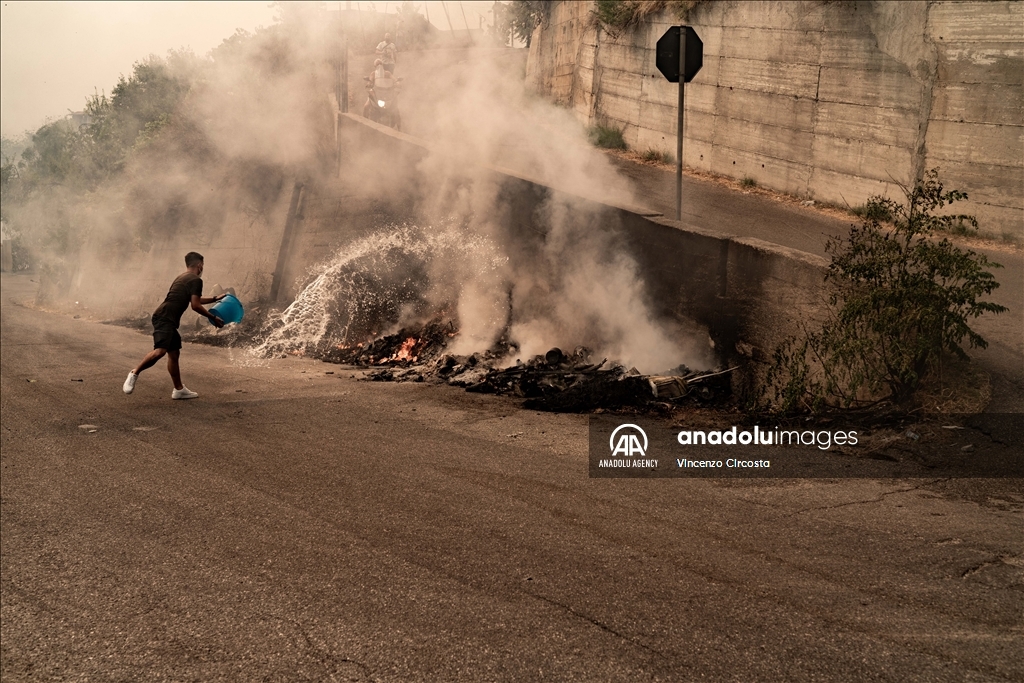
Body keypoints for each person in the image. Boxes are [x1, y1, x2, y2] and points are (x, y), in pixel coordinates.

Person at [123, 251, 226, 399]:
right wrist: (213, 317)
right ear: (199, 265)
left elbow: (195, 299)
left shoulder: (183, 277)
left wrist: (215, 298)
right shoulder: (196, 280)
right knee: (160, 351)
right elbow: (195, 305)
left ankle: (179, 390)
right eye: (202, 265)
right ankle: (134, 373)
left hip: (166, 317)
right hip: (164, 318)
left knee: (174, 353)